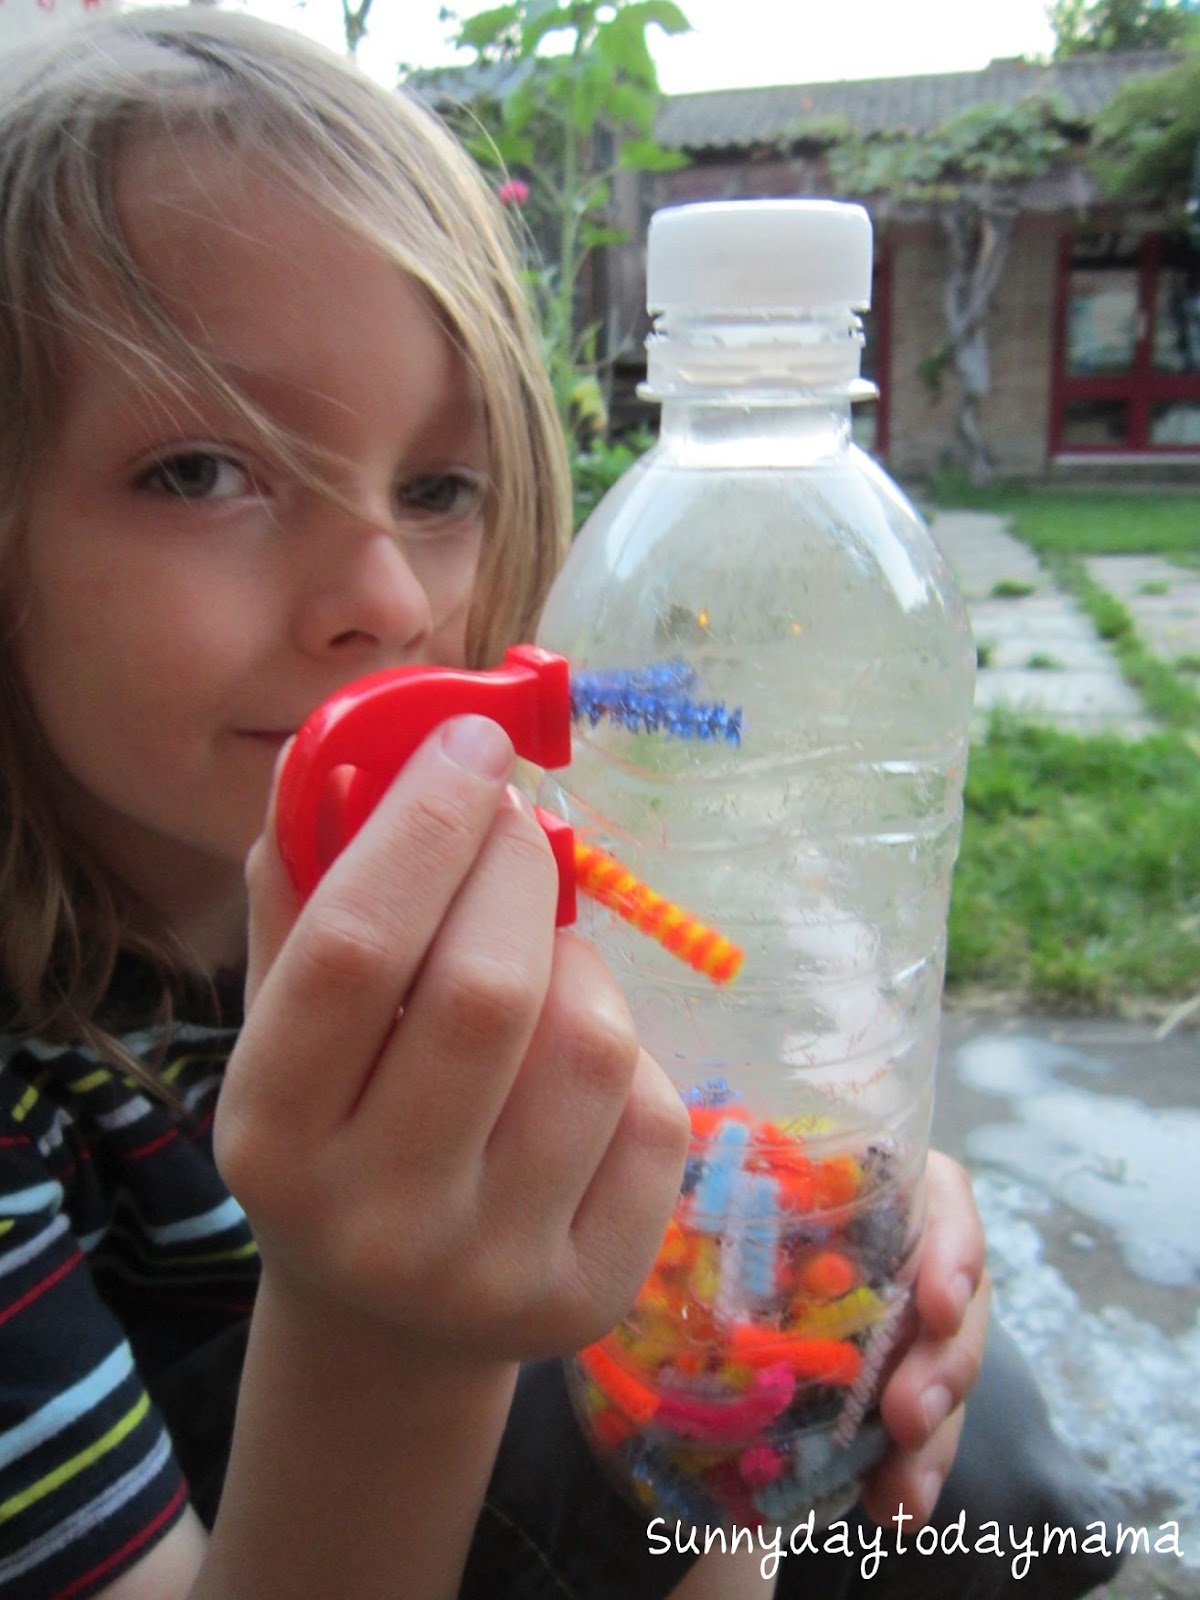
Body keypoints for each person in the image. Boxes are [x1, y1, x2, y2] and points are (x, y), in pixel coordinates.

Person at [0, 9, 1119, 1599]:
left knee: (972, 1466)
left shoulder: (500, 889)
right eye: (197, 471)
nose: (387, 597)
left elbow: (712, 1117)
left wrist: (824, 1201)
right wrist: (391, 1339)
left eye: (438, 489)